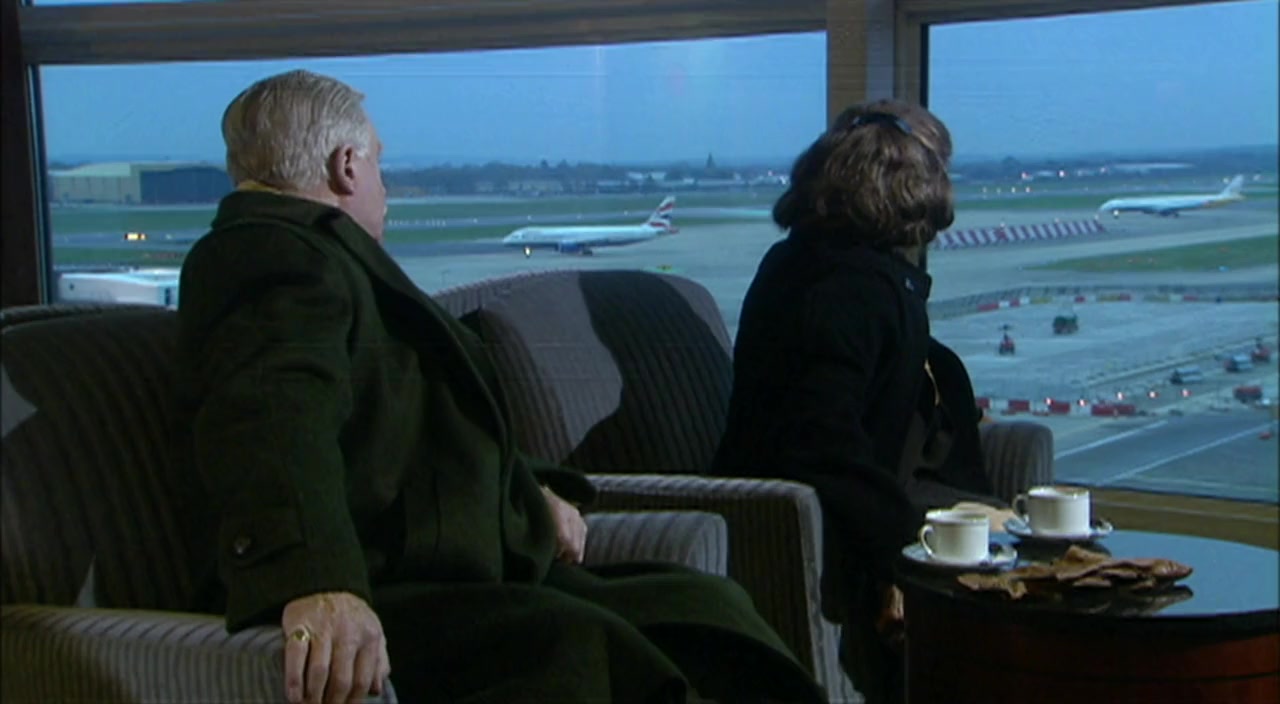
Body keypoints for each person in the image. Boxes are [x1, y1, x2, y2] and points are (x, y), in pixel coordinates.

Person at [171, 69, 825, 704]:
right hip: (397, 579)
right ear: (346, 166)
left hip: (460, 570)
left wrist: (530, 490)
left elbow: (422, 424)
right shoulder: (270, 253)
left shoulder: (323, 257)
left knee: (704, 611)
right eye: (378, 163)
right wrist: (316, 580)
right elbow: (271, 419)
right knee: (585, 648)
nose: (383, 184)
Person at [710, 99, 1013, 704]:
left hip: (860, 504)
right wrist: (900, 555)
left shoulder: (829, 270)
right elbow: (820, 445)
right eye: (939, 169)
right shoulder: (844, 290)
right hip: (827, 525)